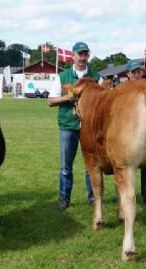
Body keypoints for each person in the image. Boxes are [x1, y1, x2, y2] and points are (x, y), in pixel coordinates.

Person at [48, 42, 100, 210]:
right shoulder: (62, 77)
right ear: (73, 56)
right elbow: (51, 101)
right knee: (65, 166)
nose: (83, 58)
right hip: (68, 126)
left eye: (86, 54)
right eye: (80, 54)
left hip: (90, 126)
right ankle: (64, 198)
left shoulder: (95, 76)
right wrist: (68, 98)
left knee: (91, 164)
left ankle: (93, 198)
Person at [126, 60, 146, 204]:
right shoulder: (123, 90)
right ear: (128, 74)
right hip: (127, 131)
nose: (137, 74)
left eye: (139, 71)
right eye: (134, 72)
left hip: (144, 130)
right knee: (129, 165)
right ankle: (129, 195)